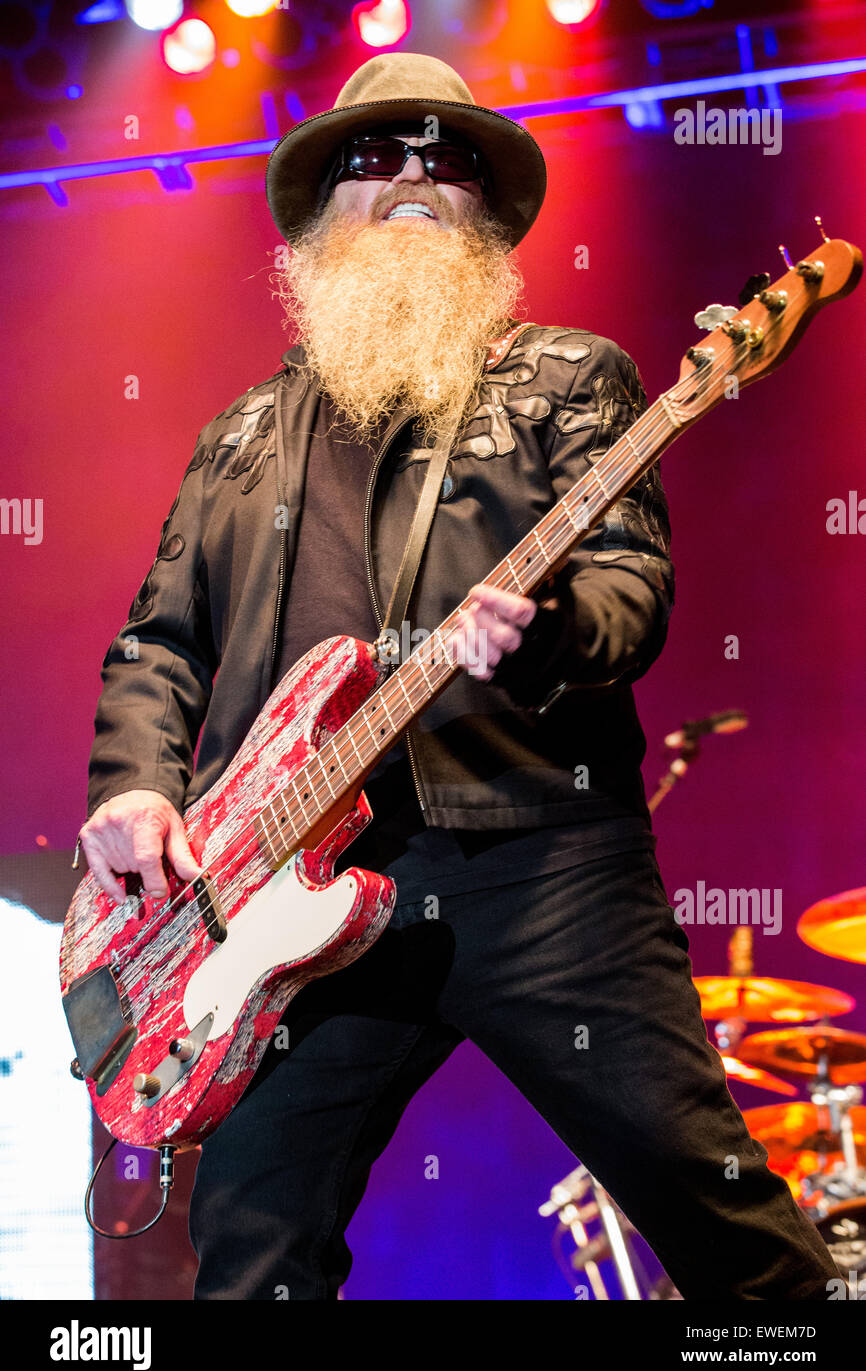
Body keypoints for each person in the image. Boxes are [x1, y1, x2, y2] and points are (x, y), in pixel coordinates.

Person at [78, 53, 839, 1300]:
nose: (417, 177)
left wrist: (540, 634)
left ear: (486, 216)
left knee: (720, 1221)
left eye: (451, 162)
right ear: (321, 210)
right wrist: (131, 788)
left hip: (540, 868)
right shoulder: (237, 439)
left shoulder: (569, 378)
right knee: (252, 1245)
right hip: (295, 895)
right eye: (377, 158)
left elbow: (626, 594)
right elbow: (159, 645)